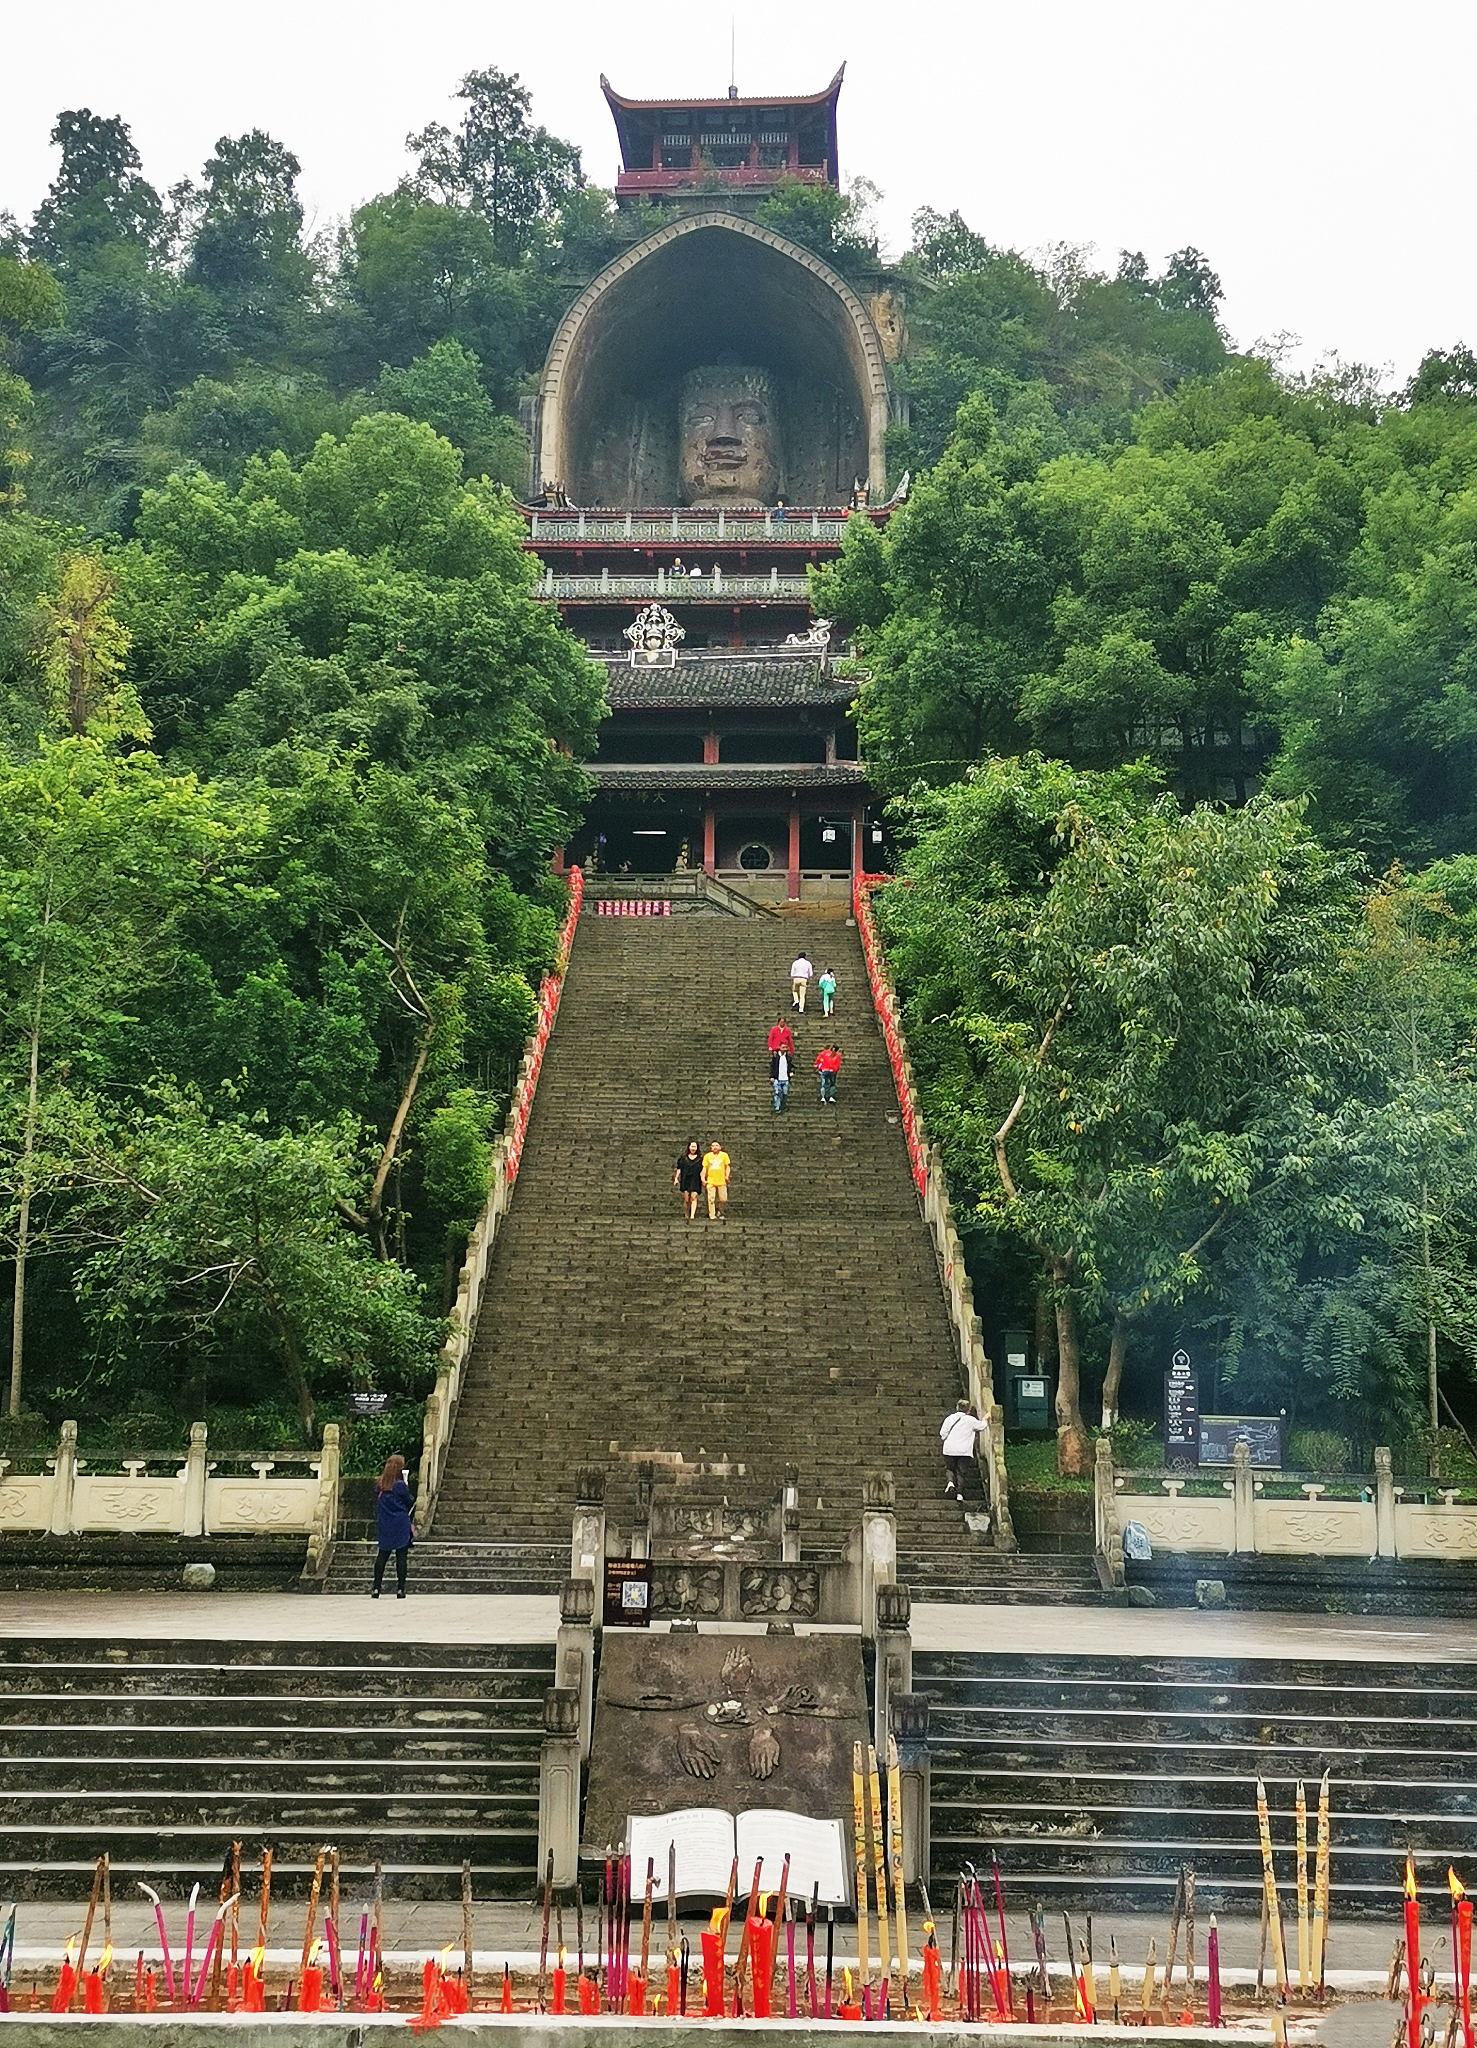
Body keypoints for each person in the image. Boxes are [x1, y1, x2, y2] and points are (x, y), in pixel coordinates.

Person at [372, 1453, 414, 1597]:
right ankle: (400, 1588)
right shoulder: (400, 1485)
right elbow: (410, 1501)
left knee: (382, 1555)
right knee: (401, 1556)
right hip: (401, 1522)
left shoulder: (380, 1484)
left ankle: (376, 1587)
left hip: (385, 1522)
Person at [939, 1400, 990, 1501]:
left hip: (949, 1449)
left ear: (957, 1408)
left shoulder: (949, 1419)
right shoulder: (970, 1420)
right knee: (961, 1472)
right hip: (964, 1451)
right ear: (968, 1410)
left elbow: (942, 1434)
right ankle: (959, 1494)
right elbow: (982, 1426)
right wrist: (985, 1419)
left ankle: (950, 1482)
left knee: (950, 1468)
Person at [673, 1138, 704, 1221]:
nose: (693, 1148)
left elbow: (703, 1170)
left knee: (694, 1197)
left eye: (695, 1147)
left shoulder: (700, 1159)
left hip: (695, 1179)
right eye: (692, 1146)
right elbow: (679, 1169)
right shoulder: (683, 1159)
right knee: (686, 1199)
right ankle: (687, 1213)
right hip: (685, 1179)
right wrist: (676, 1178)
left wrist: (703, 1179)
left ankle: (692, 1215)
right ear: (689, 1147)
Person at [701, 1138, 731, 1220]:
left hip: (721, 1181)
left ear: (720, 1147)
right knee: (711, 1198)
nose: (715, 1147)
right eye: (713, 1146)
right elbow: (704, 1168)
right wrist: (703, 1178)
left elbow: (727, 1166)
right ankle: (712, 1214)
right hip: (711, 1180)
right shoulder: (707, 1156)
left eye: (716, 1145)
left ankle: (720, 1211)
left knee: (723, 1199)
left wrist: (727, 1176)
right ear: (711, 1147)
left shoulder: (724, 1155)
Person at [771, 1043, 791, 1114]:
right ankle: (777, 1107)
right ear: (780, 1047)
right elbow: (773, 1067)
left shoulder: (788, 1057)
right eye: (783, 1047)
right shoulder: (775, 1057)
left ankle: (783, 1106)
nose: (785, 1049)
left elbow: (790, 1066)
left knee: (785, 1094)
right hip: (777, 1078)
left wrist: (791, 1072)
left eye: (786, 1047)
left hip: (785, 1078)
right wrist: (772, 1076)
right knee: (778, 1093)